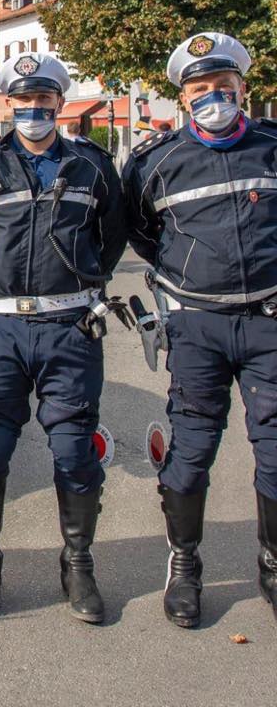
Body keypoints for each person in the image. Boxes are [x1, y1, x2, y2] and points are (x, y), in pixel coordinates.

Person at [0, 51, 126, 624]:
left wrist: (79, 280)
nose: (32, 111)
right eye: (22, 103)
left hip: (69, 326)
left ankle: (78, 564)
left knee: (74, 451)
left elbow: (112, 236)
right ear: (9, 104)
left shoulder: (91, 166)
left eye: (43, 102)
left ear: (59, 104)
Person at [122, 32, 277, 629]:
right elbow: (141, 234)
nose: (213, 98)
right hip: (198, 328)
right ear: (183, 100)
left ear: (244, 88)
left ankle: (271, 562)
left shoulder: (272, 147)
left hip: (268, 323)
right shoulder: (155, 163)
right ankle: (184, 566)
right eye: (200, 90)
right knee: (190, 456)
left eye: (223, 87)